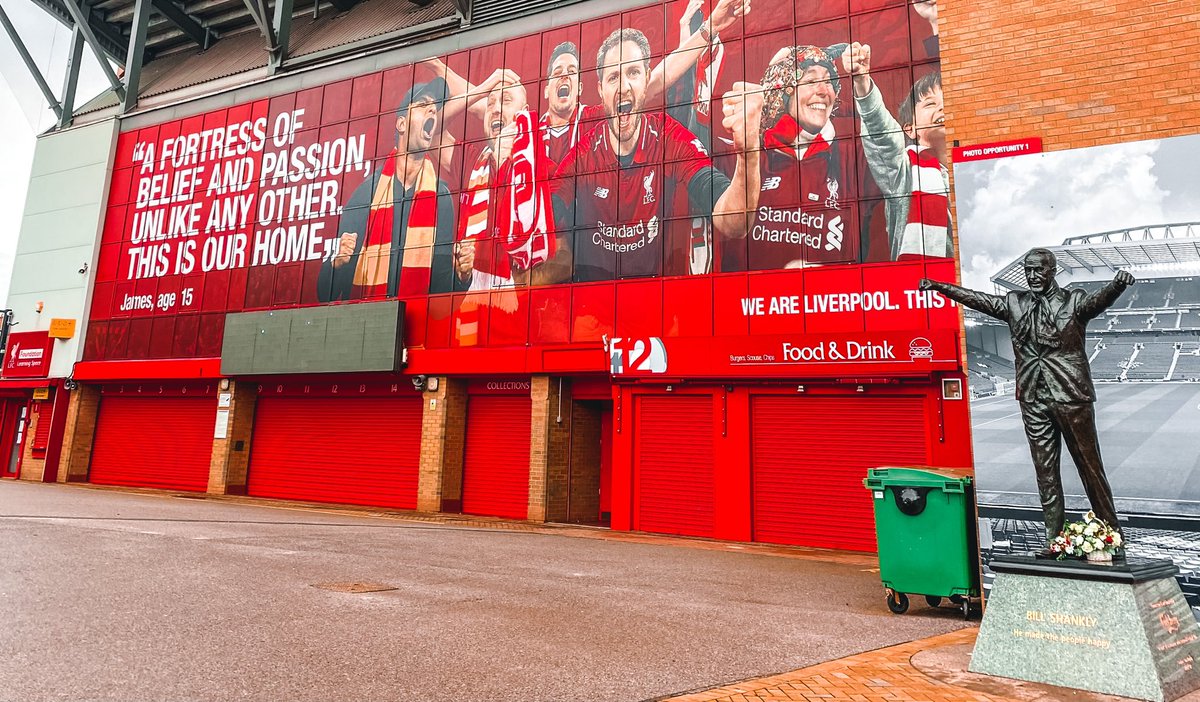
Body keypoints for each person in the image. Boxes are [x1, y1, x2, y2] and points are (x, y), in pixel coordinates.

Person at [920, 250, 1136, 547]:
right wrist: (942, 287)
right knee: (1045, 472)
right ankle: (1054, 539)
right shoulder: (1014, 302)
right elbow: (979, 299)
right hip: (1032, 397)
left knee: (1090, 467)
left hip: (1070, 395)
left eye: (1038, 270)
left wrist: (1117, 285)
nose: (1032, 276)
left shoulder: (1074, 300)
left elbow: (1097, 302)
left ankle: (1113, 534)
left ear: (1052, 270)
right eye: (1028, 270)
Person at [542, 28, 762, 283]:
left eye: (633, 72)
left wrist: (748, 154)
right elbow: (542, 220)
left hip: (652, 302)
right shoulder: (584, 151)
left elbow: (734, 223)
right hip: (592, 311)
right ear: (600, 90)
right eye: (613, 77)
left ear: (647, 80)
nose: (623, 87)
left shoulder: (668, 136)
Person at [318, 79, 458, 301]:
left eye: (435, 107)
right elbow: (327, 294)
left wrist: (462, 275)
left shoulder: (441, 196)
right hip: (368, 325)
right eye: (423, 104)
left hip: (418, 328)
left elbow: (443, 293)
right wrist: (337, 264)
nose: (433, 109)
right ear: (401, 124)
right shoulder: (366, 194)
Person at [734, 43, 859, 271]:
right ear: (782, 91)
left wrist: (863, 83)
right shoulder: (748, 157)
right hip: (757, 303)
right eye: (810, 80)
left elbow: (889, 153)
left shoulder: (849, 154)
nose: (824, 91)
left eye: (829, 81)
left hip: (832, 302)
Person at [845, 42, 950, 260]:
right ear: (910, 129)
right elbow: (882, 134)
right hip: (919, 291)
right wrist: (862, 82)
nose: (942, 108)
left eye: (946, 101)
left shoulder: (978, 168)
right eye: (930, 104)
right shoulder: (903, 171)